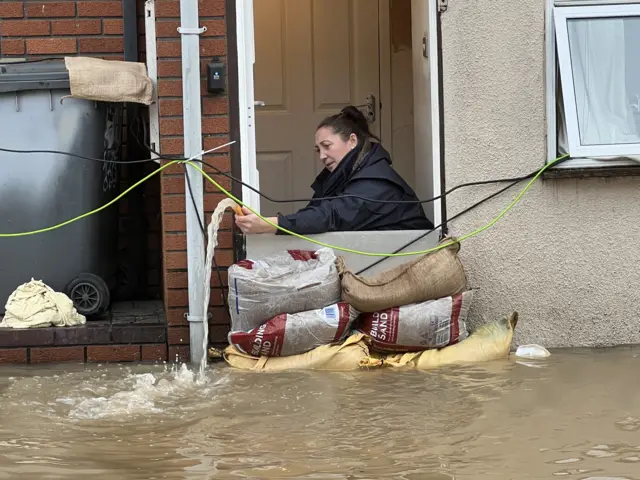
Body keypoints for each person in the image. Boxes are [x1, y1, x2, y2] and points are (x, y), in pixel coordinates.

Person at [235, 105, 434, 235]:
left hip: (410, 263)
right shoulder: (344, 175)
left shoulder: (375, 180)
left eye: (327, 146)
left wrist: (271, 225)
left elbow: (332, 216)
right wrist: (267, 222)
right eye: (318, 149)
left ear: (352, 141)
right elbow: (315, 213)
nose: (322, 156)